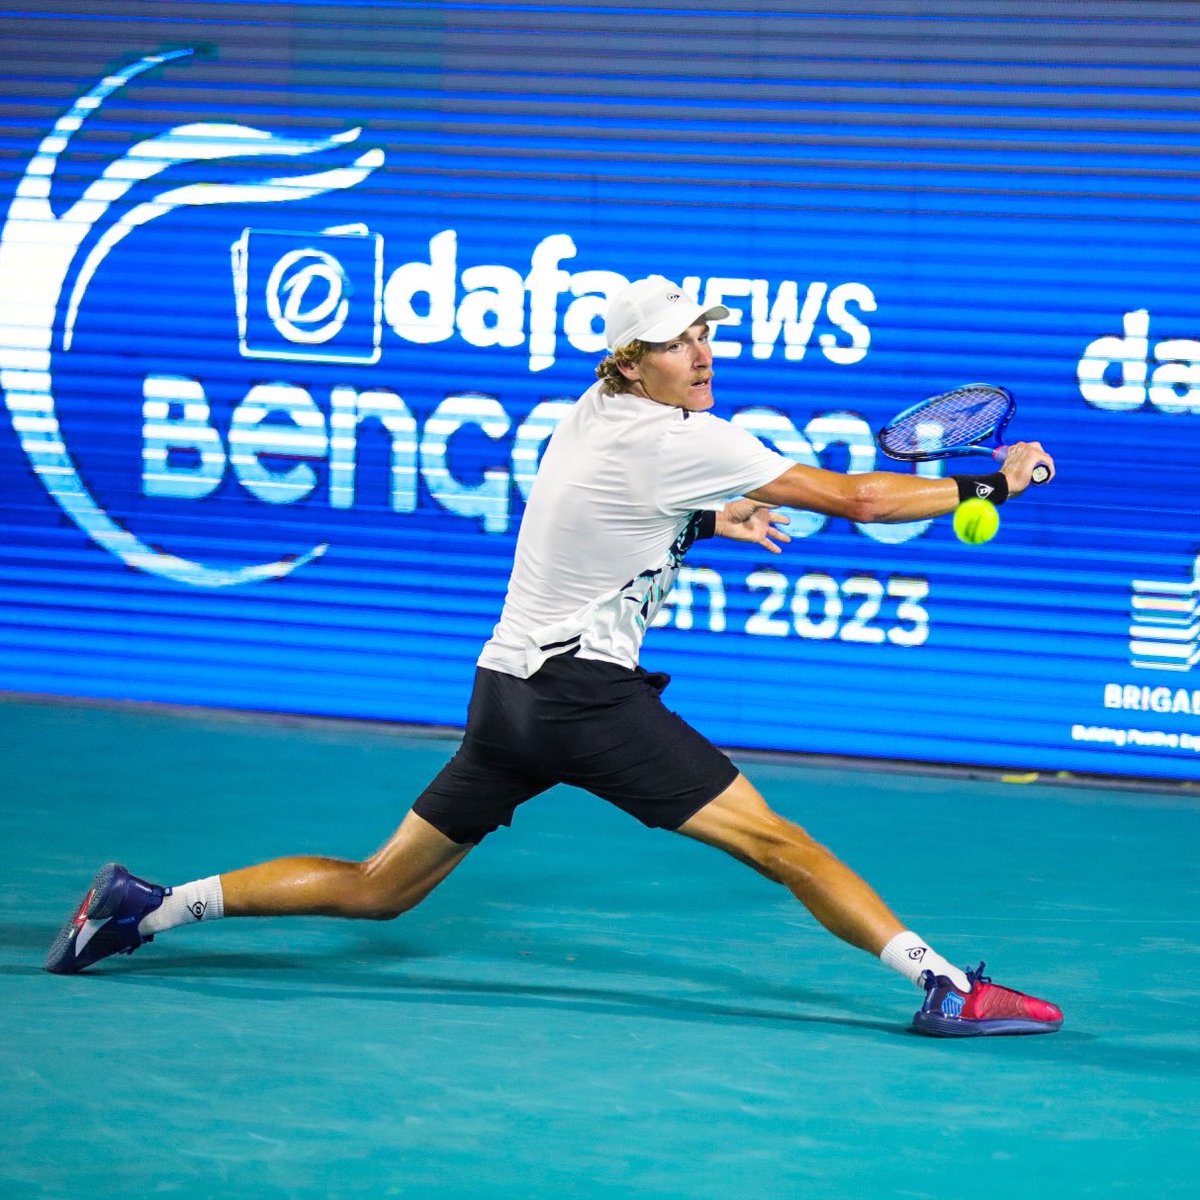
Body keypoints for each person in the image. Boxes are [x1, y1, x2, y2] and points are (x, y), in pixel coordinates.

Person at [46, 275, 1063, 1037]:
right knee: (780, 845)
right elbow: (863, 498)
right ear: (633, 362)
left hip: (507, 693)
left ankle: (143, 909)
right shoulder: (679, 441)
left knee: (380, 886)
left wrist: (711, 523)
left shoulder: (597, 419)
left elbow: (612, 519)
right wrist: (996, 486)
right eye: (677, 345)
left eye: (704, 334)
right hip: (582, 698)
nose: (701, 354)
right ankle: (945, 988)